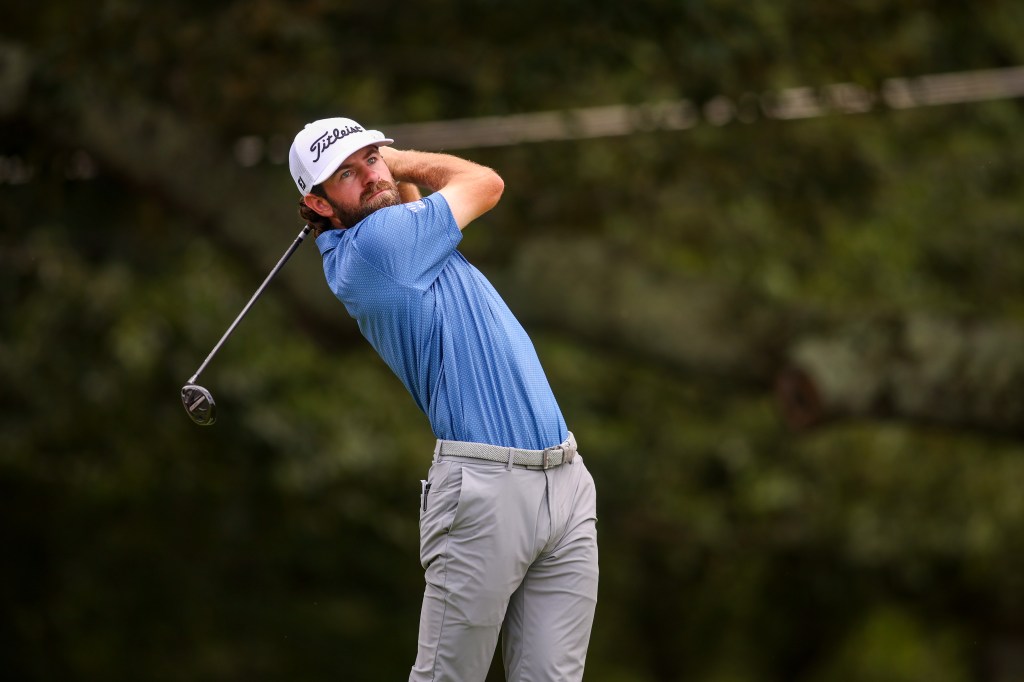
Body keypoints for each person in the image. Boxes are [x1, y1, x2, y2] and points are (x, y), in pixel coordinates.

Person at [288, 117, 599, 681]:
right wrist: (398, 160)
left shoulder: (397, 237)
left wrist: (383, 177)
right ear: (320, 203)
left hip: (566, 479)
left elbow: (406, 206)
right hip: (485, 489)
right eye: (347, 175)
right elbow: (484, 183)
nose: (370, 177)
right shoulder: (380, 248)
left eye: (370, 160)